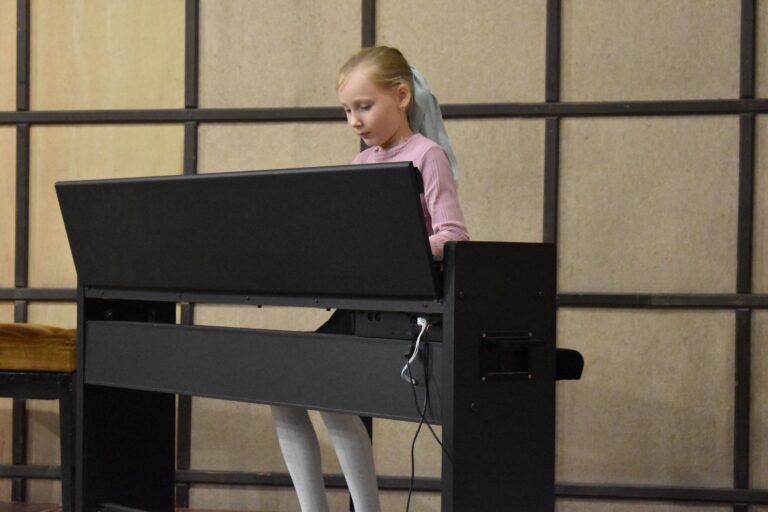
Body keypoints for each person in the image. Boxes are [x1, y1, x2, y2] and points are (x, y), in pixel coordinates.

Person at [270, 46, 469, 512]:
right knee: (280, 389)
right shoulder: (360, 165)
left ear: (401, 96)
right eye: (346, 110)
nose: (354, 121)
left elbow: (453, 235)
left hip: (403, 317)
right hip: (360, 309)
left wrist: (398, 250)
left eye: (364, 106)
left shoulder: (428, 155)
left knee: (332, 399)